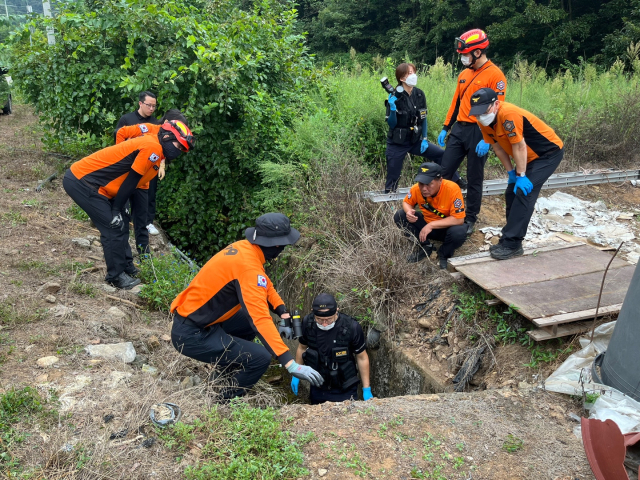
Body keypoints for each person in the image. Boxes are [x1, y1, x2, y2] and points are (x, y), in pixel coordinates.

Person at [170, 213, 324, 400]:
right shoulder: (248, 268)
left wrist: (282, 311)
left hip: (202, 321)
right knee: (260, 358)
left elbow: (264, 284)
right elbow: (259, 319)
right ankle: (224, 402)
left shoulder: (244, 249)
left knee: (244, 319)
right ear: (276, 245)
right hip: (191, 335)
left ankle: (224, 371)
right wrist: (290, 363)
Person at [63, 121, 194, 289]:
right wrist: (116, 209)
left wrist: (121, 208)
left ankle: (127, 267)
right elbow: (131, 180)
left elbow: (135, 184)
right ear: (167, 137)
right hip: (83, 181)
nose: (178, 151)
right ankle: (115, 277)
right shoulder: (151, 146)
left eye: (183, 149)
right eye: (178, 146)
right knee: (113, 226)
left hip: (101, 188)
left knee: (122, 222)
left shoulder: (158, 153)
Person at [469, 88, 564, 260]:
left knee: (524, 192)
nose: (481, 116)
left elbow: (519, 146)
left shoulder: (508, 114)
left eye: (484, 110)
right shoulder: (483, 121)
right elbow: (497, 147)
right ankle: (508, 238)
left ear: (496, 104)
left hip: (547, 153)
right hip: (527, 156)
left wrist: (522, 176)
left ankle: (513, 244)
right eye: (477, 113)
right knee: (511, 192)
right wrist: (512, 174)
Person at [436, 30, 507, 235]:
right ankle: (444, 210)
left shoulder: (495, 75)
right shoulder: (464, 74)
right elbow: (456, 103)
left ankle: (470, 218)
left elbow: (498, 109)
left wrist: (489, 138)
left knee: (474, 177)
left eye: (465, 54)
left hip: (480, 130)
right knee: (445, 171)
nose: (463, 58)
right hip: (459, 129)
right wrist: (445, 127)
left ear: (477, 52)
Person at [115, 109, 189, 252]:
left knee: (142, 220)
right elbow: (121, 133)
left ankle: (145, 257)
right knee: (122, 218)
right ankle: (124, 257)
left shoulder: (169, 139)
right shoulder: (149, 129)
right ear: (168, 123)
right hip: (128, 176)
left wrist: (161, 166)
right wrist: (120, 160)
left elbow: (163, 154)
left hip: (143, 182)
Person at [385, 63, 461, 193]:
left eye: (413, 72)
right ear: (402, 78)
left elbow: (423, 117)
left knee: (441, 155)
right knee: (393, 174)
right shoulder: (395, 96)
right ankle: (389, 198)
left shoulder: (419, 94)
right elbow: (392, 124)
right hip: (397, 142)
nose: (413, 75)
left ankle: (455, 181)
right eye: (409, 73)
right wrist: (392, 109)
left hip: (415, 140)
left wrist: (424, 138)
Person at [290, 294, 372, 405]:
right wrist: (296, 374)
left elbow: (362, 357)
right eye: (319, 319)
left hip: (346, 387)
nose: (324, 324)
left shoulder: (352, 327)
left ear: (336, 311)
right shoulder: (308, 323)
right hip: (318, 385)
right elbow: (302, 348)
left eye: (328, 319)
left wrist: (366, 389)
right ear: (313, 313)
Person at [394, 162, 467, 268]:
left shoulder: (452, 189)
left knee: (459, 232)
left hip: (445, 229)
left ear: (440, 181)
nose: (424, 188)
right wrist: (409, 211)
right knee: (400, 215)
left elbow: (459, 220)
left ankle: (444, 254)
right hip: (426, 226)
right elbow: (406, 202)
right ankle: (425, 246)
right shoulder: (416, 189)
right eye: (421, 183)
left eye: (428, 184)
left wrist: (431, 225)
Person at [114, 91, 162, 237]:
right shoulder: (127, 119)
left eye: (154, 106)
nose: (152, 109)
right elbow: (118, 138)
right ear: (140, 103)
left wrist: (162, 165)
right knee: (125, 188)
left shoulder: (156, 123)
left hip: (149, 164)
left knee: (150, 192)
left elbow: (162, 146)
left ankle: (147, 222)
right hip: (129, 164)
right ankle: (122, 215)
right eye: (149, 105)